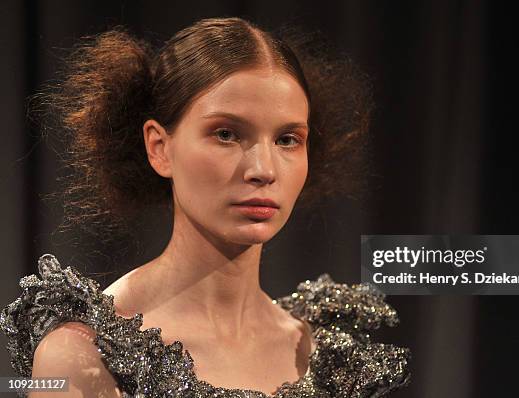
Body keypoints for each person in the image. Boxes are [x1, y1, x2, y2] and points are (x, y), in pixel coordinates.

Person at [0, 17, 411, 397]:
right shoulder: (86, 354)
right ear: (159, 147)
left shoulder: (324, 354)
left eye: (287, 139)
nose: (263, 170)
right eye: (227, 133)